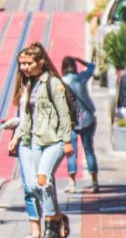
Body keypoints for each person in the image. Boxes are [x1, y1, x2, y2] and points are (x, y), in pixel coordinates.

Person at [8, 43, 72, 238]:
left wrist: (67, 140)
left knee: (43, 178)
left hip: (54, 140)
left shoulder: (53, 83)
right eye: (21, 64)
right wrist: (16, 137)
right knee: (36, 185)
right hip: (36, 140)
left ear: (41, 62)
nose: (24, 68)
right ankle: (58, 217)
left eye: (28, 63)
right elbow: (27, 117)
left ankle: (51, 225)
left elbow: (64, 114)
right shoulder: (28, 85)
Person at [60, 56, 98, 193]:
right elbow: (92, 66)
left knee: (71, 153)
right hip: (87, 118)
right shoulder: (81, 78)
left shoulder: (61, 82)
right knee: (89, 151)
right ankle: (94, 182)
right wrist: (79, 59)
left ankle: (71, 184)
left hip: (71, 121)